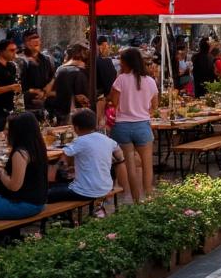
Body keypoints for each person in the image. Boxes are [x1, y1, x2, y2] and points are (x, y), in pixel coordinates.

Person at [109, 47, 159, 203]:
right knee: (147, 164)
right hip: (142, 125)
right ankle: (149, 196)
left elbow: (114, 102)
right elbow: (155, 106)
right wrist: (143, 111)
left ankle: (136, 200)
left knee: (130, 164)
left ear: (126, 62)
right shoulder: (150, 81)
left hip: (122, 126)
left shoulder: (121, 79)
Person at [49, 108, 125, 206]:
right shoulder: (107, 139)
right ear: (95, 125)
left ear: (76, 128)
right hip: (106, 187)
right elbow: (120, 157)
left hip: (85, 192)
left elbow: (64, 159)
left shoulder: (80, 141)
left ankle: (59, 217)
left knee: (49, 192)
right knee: (63, 186)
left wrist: (56, 170)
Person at [48, 43, 90, 125]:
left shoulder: (62, 69)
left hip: (66, 114)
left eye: (66, 54)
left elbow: (51, 92)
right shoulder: (88, 70)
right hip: (82, 115)